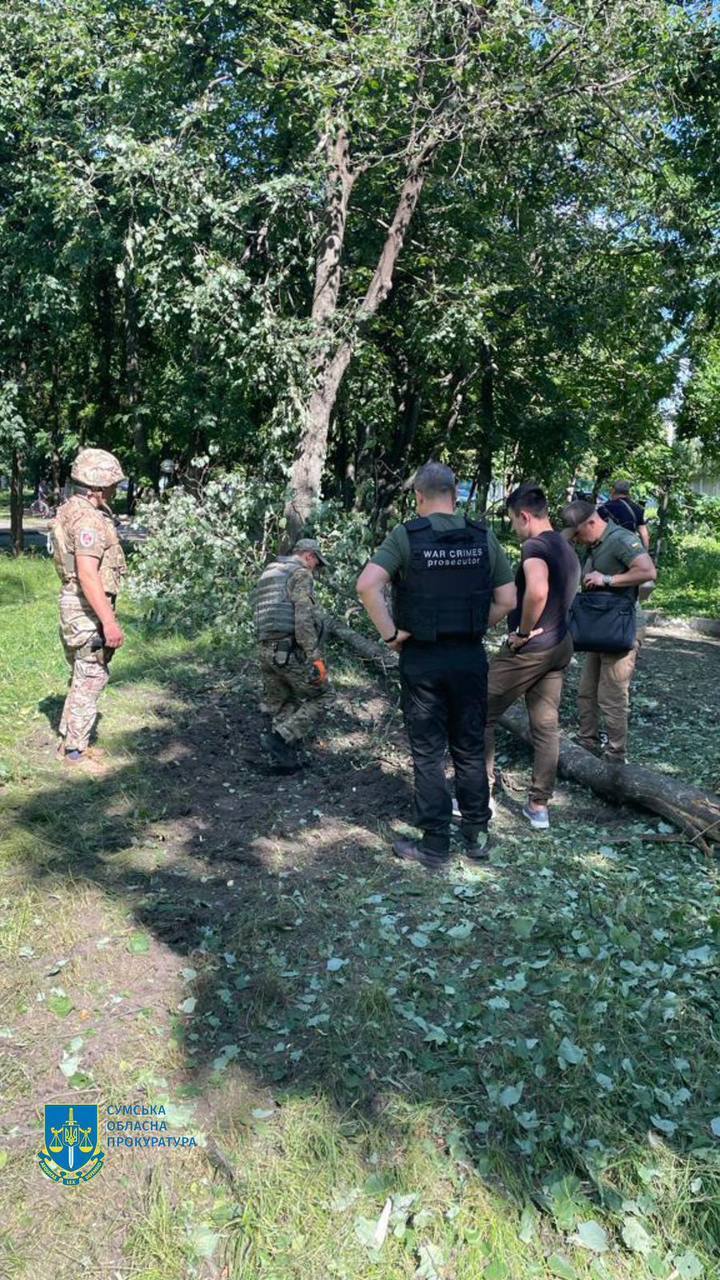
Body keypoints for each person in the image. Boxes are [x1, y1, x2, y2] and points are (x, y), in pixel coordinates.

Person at [356, 462, 516, 870]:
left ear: (419, 497)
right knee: (469, 748)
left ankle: (435, 847)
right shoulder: (482, 537)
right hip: (469, 656)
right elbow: (508, 599)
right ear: (456, 492)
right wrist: (475, 625)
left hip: (423, 658)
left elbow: (367, 585)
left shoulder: (406, 536)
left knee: (428, 753)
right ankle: (477, 839)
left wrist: (391, 635)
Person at [485, 482, 580, 831]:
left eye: (513, 520)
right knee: (545, 726)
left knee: (479, 711)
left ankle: (479, 796)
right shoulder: (565, 547)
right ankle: (538, 806)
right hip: (560, 645)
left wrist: (522, 633)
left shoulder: (535, 546)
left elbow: (538, 591)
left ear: (524, 516)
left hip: (532, 649)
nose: (513, 527)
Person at [562, 499, 656, 764]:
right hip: (600, 625)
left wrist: (608, 579)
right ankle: (586, 742)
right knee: (586, 690)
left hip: (621, 626)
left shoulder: (620, 539)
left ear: (592, 522)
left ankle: (616, 756)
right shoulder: (595, 543)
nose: (577, 540)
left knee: (612, 695)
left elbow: (648, 571)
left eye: (578, 534)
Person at [50, 448, 127, 770]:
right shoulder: (87, 519)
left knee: (81, 673)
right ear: (97, 486)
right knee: (92, 674)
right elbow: (88, 572)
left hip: (74, 602)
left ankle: (69, 736)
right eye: (111, 485)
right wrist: (108, 623)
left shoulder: (69, 510)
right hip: (86, 608)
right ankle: (75, 751)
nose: (115, 490)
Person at [253, 537, 332, 772]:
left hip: (265, 650)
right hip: (287, 652)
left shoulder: (270, 572)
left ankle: (283, 760)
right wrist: (316, 658)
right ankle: (278, 739)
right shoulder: (300, 574)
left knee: (282, 703)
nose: (316, 569)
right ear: (309, 556)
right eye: (317, 563)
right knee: (325, 696)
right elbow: (303, 620)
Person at [598, 480, 650, 549]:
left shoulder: (605, 508)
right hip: (629, 548)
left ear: (613, 491)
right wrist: (645, 551)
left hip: (609, 548)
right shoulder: (637, 508)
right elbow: (643, 533)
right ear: (628, 493)